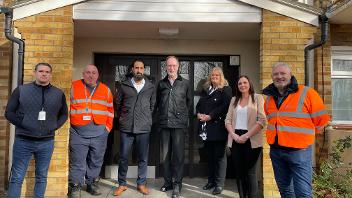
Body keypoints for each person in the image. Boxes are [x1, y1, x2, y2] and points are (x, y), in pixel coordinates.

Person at [262, 62, 329, 198]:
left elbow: (321, 121)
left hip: (299, 152)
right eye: (276, 74)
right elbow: (272, 120)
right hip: (277, 151)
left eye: (283, 73)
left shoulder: (307, 93)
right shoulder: (269, 99)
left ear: (290, 75)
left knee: (303, 193)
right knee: (285, 191)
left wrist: (302, 138)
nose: (279, 77)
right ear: (272, 77)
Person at [5, 62, 68, 198]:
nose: (44, 74)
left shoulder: (58, 93)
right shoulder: (21, 90)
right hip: (23, 141)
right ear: (35, 73)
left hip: (46, 142)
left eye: (47, 72)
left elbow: (64, 114)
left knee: (42, 177)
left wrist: (55, 126)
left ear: (50, 75)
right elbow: (9, 113)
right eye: (41, 71)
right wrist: (24, 124)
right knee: (17, 177)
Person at [68, 64, 114, 198]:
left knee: (96, 160)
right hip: (78, 132)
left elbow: (110, 111)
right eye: (88, 72)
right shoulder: (73, 86)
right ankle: (75, 186)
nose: (91, 75)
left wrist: (107, 129)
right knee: (77, 160)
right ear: (83, 74)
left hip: (100, 133)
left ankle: (92, 184)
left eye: (94, 73)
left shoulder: (106, 90)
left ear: (98, 75)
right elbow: (66, 107)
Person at [113, 59, 156, 196]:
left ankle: (141, 184)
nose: (139, 70)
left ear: (144, 70)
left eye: (141, 68)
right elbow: (118, 104)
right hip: (127, 127)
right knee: (124, 157)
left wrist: (146, 119)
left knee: (143, 157)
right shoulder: (123, 85)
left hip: (143, 127)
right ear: (132, 69)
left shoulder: (150, 87)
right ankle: (122, 184)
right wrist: (123, 118)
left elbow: (152, 106)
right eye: (136, 67)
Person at [225, 75, 267, 198]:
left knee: (250, 173)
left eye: (245, 83)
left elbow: (262, 120)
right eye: (240, 84)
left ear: (249, 84)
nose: (242, 85)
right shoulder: (234, 100)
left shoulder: (257, 98)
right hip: (235, 138)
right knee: (239, 173)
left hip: (252, 138)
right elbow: (228, 120)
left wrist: (246, 136)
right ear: (237, 86)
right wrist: (233, 135)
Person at [156, 56, 191, 198]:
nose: (171, 68)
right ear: (166, 67)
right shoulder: (161, 84)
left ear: (178, 67)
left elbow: (188, 104)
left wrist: (182, 119)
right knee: (165, 157)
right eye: (169, 65)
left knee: (178, 156)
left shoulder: (185, 84)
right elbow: (158, 103)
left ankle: (177, 184)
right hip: (164, 124)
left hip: (178, 126)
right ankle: (168, 182)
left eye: (174, 65)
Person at [196, 67, 232, 195]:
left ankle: (219, 184)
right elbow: (199, 105)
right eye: (212, 75)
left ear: (221, 76)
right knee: (210, 157)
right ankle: (211, 181)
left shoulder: (226, 89)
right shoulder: (206, 90)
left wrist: (211, 115)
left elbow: (226, 107)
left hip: (219, 128)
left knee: (220, 158)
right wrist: (199, 114)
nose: (214, 77)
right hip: (207, 129)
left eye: (217, 75)